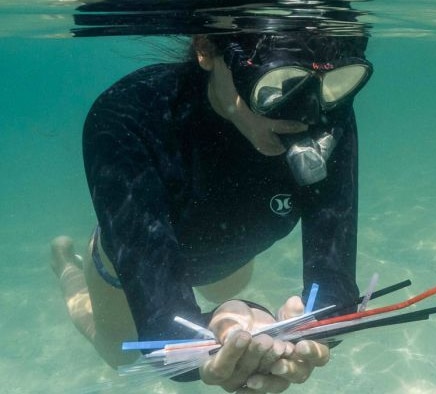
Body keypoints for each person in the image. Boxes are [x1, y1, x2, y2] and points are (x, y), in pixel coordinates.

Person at [51, 28, 372, 393]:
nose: (307, 113)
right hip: (124, 273)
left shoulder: (328, 110)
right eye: (279, 83)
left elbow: (336, 289)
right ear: (206, 47)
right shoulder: (129, 114)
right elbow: (164, 339)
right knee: (120, 356)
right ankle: (65, 265)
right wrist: (223, 342)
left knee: (230, 287)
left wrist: (302, 332)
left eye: (333, 83)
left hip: (229, 260)